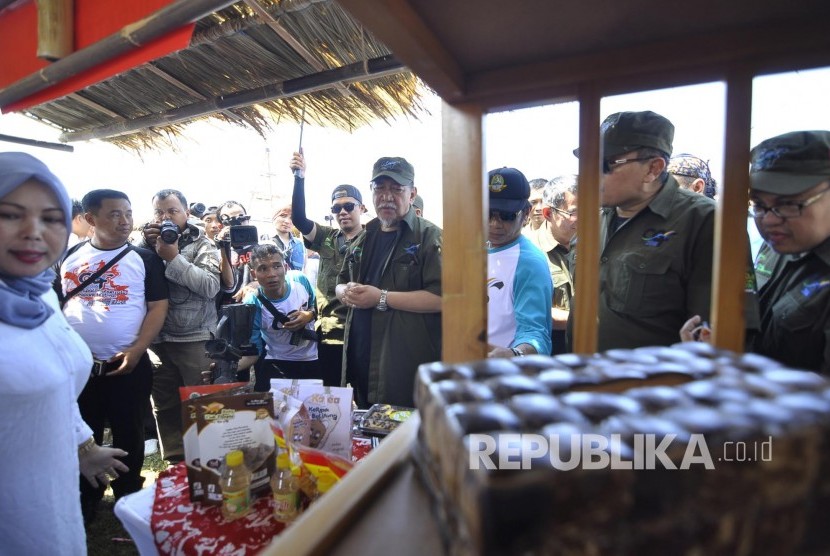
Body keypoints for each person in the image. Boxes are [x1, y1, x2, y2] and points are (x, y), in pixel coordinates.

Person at [0, 152, 127, 555]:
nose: (34, 231)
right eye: (9, 214)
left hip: (52, 497)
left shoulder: (37, 296)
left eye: (51, 218)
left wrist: (83, 446)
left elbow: (53, 379)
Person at [58, 189, 169, 522]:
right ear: (91, 219)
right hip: (80, 369)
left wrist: (137, 350)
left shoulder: (145, 258)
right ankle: (86, 499)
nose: (125, 221)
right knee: (83, 434)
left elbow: (157, 306)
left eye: (128, 213)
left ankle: (128, 500)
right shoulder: (70, 257)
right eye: (115, 214)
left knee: (129, 433)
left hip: (127, 366)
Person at [682, 130, 830, 374]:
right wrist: (718, 352)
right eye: (759, 205)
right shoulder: (782, 243)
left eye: (789, 204)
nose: (769, 220)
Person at [582, 110, 717, 350]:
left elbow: (714, 338)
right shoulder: (596, 219)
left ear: (653, 168)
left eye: (605, 164)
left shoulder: (704, 221)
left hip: (654, 384)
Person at [336, 156, 442, 408]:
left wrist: (381, 297)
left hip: (403, 371)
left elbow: (443, 298)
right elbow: (340, 282)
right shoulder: (365, 235)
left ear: (412, 193)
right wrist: (345, 292)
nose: (387, 196)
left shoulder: (429, 237)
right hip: (361, 362)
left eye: (396, 189)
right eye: (380, 188)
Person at [139, 189, 220, 463]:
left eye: (172, 211)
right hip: (157, 339)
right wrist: (146, 247)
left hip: (194, 337)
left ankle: (209, 461)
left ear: (186, 212)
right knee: (165, 405)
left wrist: (173, 257)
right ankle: (175, 461)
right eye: (159, 212)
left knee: (202, 403)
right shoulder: (144, 244)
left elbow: (211, 287)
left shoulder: (203, 244)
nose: (166, 217)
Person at [290, 150, 366, 386]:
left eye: (349, 206)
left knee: (363, 393)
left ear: (361, 208)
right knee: (332, 393)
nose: (342, 212)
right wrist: (299, 178)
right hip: (330, 333)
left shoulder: (374, 238)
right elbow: (299, 220)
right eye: (336, 208)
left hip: (362, 333)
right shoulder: (325, 236)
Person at [486, 167, 553, 358]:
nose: (495, 224)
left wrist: (516, 354)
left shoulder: (529, 263)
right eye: (489, 213)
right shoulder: (473, 251)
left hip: (504, 374)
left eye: (506, 216)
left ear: (526, 214)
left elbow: (535, 332)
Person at [237, 244, 320, 391]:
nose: (271, 274)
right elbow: (254, 351)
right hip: (276, 361)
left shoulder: (300, 281)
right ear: (253, 273)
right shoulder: (253, 303)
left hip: (313, 359)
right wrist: (224, 369)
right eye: (263, 268)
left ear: (285, 267)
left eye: (276, 266)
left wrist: (310, 315)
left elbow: (319, 306)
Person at [541, 175, 578, 354]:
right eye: (574, 212)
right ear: (548, 214)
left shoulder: (600, 243)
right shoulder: (527, 252)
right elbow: (530, 312)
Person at [521, 178, 557, 253]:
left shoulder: (560, 233)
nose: (539, 208)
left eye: (543, 201)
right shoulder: (519, 235)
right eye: (533, 202)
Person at [272, 200, 306, 272]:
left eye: (292, 218)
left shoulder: (300, 245)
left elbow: (304, 271)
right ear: (274, 217)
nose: (287, 221)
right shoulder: (265, 242)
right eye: (283, 215)